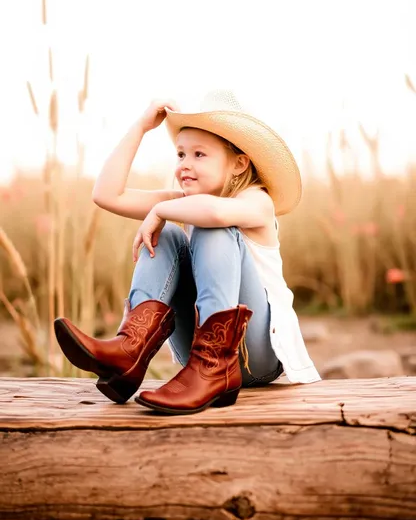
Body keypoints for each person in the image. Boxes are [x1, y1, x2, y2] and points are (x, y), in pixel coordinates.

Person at [54, 89, 321, 415]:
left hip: (258, 355)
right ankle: (129, 349)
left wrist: (162, 209)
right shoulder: (180, 201)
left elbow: (218, 214)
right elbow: (107, 195)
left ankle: (214, 368)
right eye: (180, 155)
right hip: (195, 356)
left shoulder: (257, 200)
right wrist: (140, 128)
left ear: (238, 164)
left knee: (211, 226)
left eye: (199, 155)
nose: (185, 165)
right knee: (166, 233)